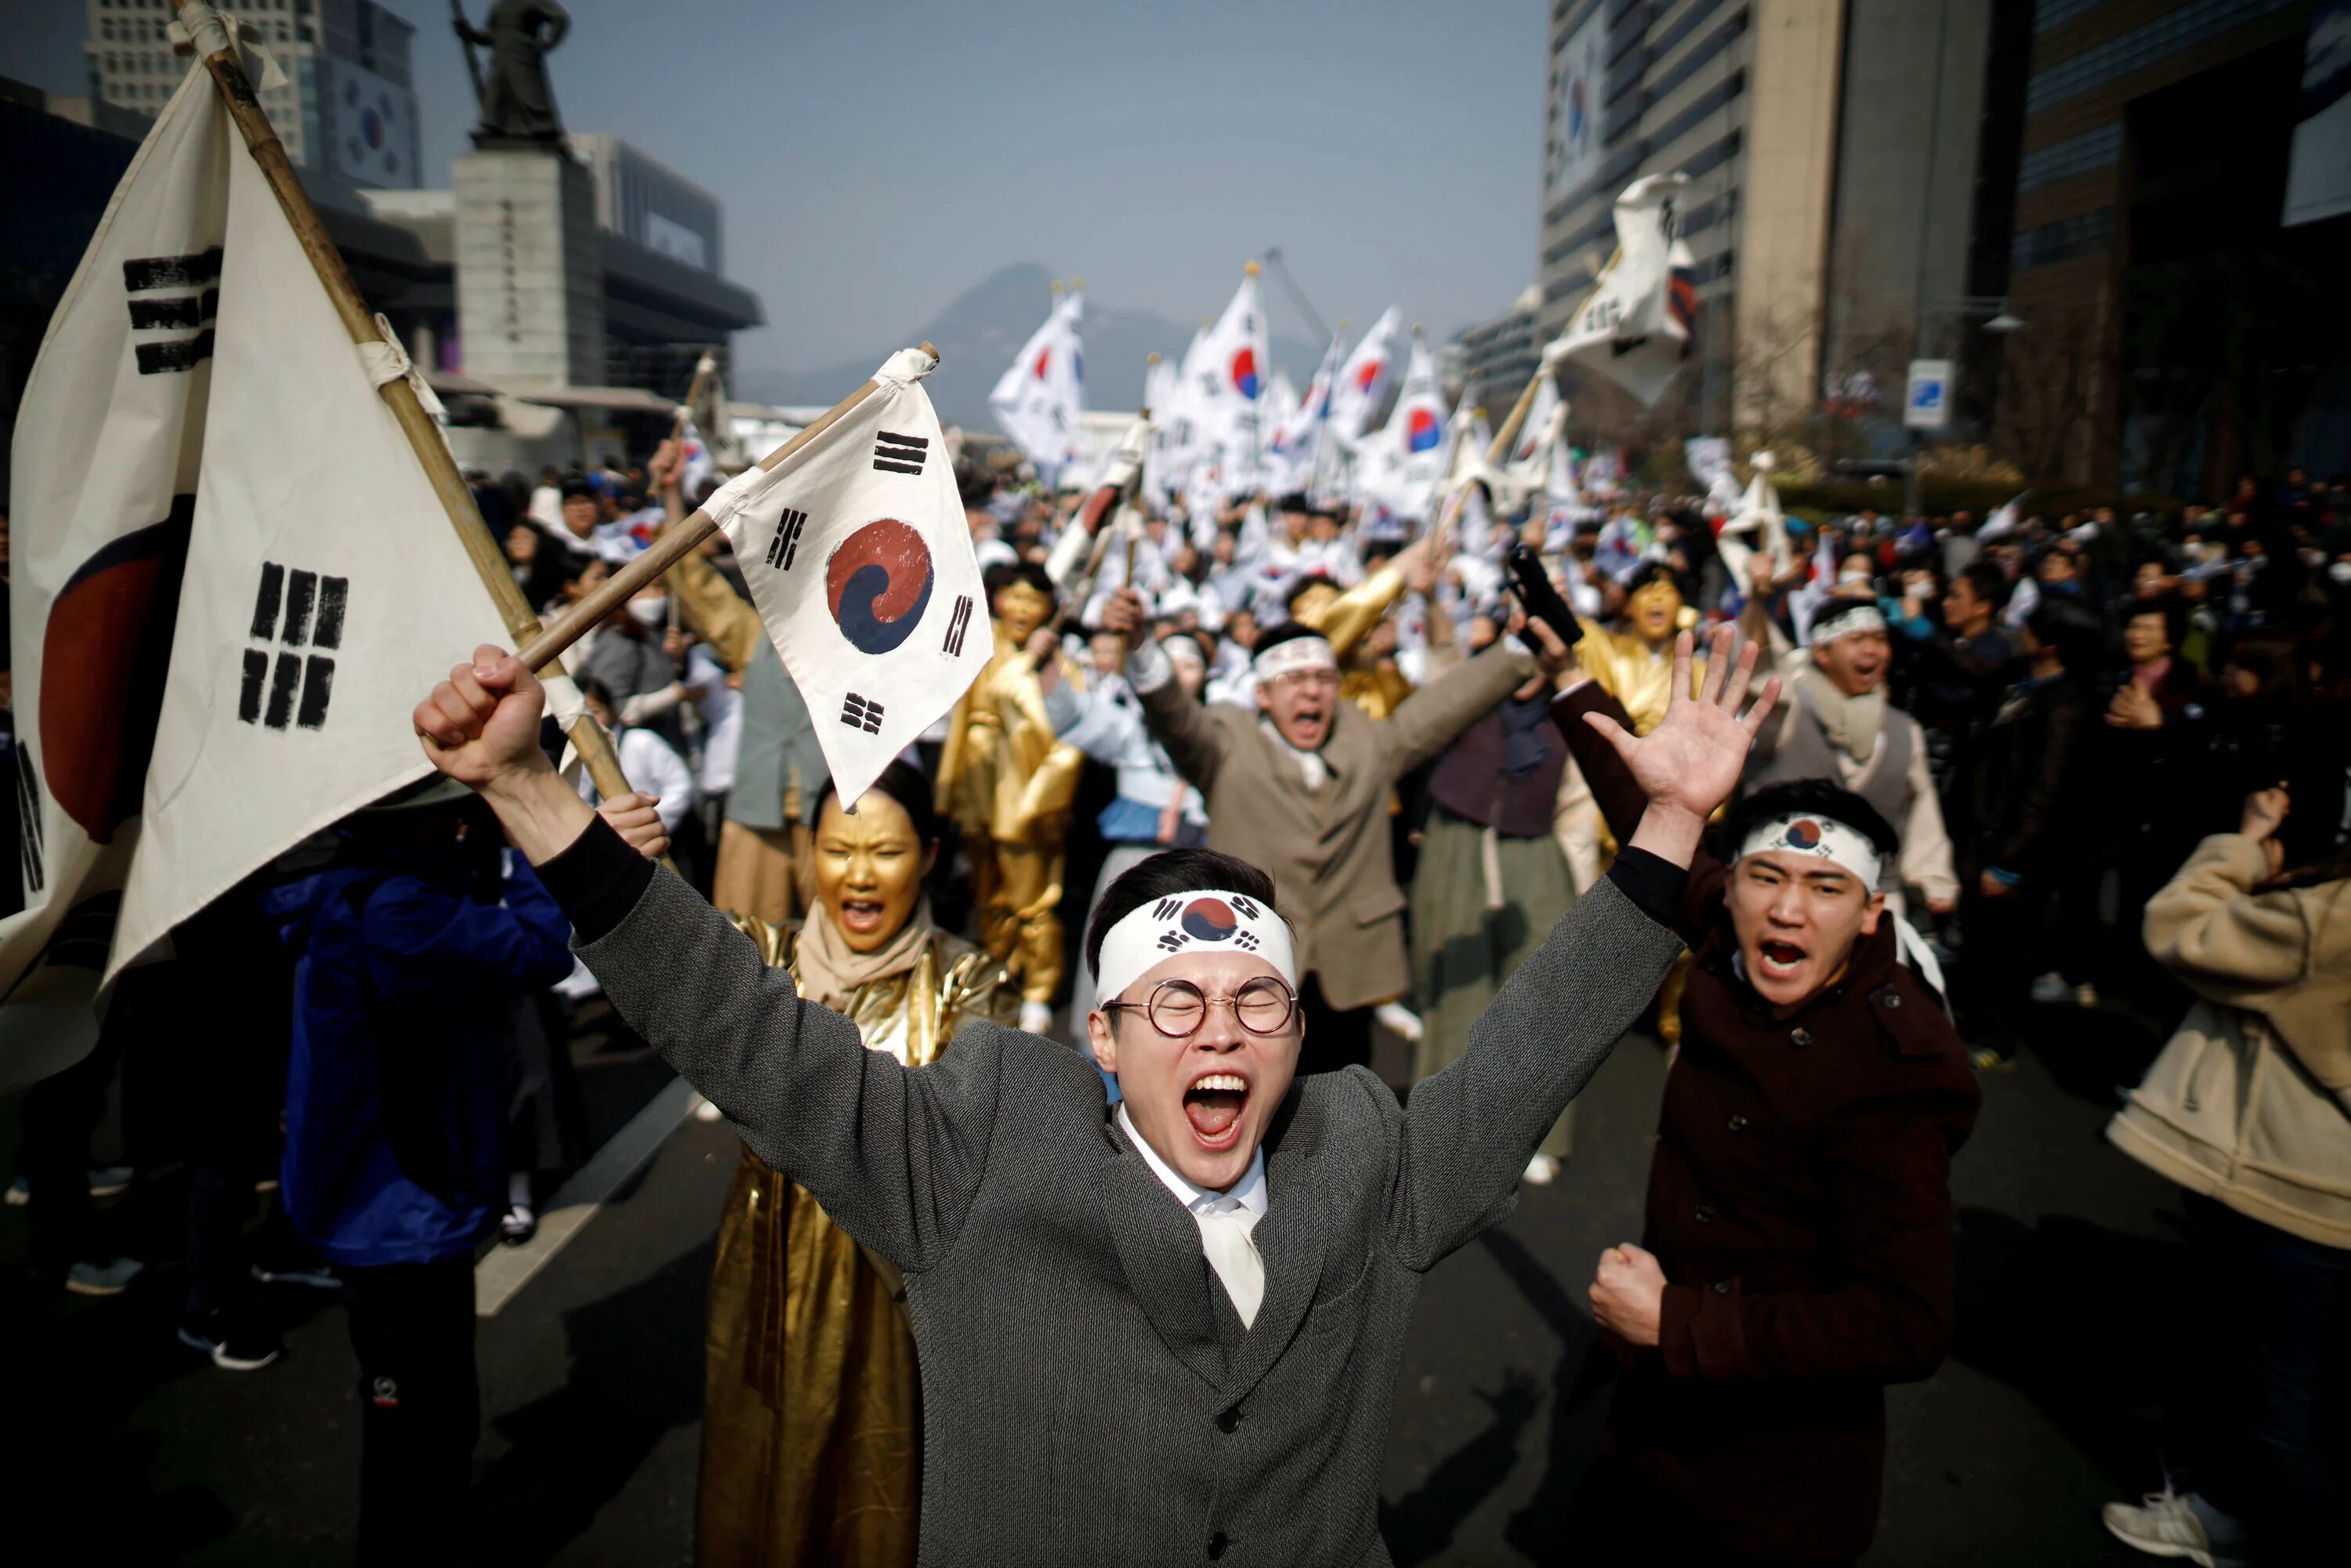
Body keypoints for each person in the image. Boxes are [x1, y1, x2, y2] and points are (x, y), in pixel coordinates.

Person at [406, 622, 1773, 1565]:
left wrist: (1670, 827)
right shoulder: (972, 1147)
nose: (1218, 1034)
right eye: (1173, 1005)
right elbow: (742, 1030)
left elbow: (1531, 1051)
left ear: (1300, 1032)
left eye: (1255, 1003)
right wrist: (529, 789)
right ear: (1104, 1039)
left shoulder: (1367, 1153)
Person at [1556, 670, 1980, 1565]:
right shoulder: (1727, 932)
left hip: (1778, 1468)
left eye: (1827, 889)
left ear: (1873, 917)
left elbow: (1907, 1323)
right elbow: (1662, 830)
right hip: (1655, 1423)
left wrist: (1679, 1322)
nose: (1787, 908)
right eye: (1768, 877)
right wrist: (1566, 676)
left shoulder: (1898, 1070)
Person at [258, 776, 617, 1560]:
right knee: (413, 1422)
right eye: (452, 811)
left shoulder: (362, 880)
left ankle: (438, 1524)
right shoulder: (394, 912)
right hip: (400, 1213)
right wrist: (542, 842)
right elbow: (539, 945)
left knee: (430, 1407)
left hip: (384, 1198)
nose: (465, 825)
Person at [698, 762, 1018, 1568]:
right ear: (809, 856)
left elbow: (964, 1149)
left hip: (900, 1305)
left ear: (931, 854)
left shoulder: (969, 984)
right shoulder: (762, 959)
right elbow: (666, 967)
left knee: (883, 1505)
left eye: (886, 850)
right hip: (766, 1281)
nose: (860, 875)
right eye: (838, 850)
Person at [1101, 584, 1554, 1077]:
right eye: (1293, 678)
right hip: (1253, 962)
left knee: (1342, 1103)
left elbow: (1440, 710)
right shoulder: (1228, 743)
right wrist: (1142, 646)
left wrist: (1518, 648)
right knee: (1253, 1098)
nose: (1311, 691)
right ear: (1263, 694)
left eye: (1323, 678)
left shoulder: (1364, 742)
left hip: (1347, 968)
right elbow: (1175, 716)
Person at [2100, 788, 2351, 1568]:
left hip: (2302, 1191)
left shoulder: (2332, 915)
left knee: (2278, 1405)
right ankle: (2228, 1512)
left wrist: (2245, 844)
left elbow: (2182, 929)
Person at [1408, 627, 1582, 1184]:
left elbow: (1580, 805)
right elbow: (1438, 680)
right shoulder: (1474, 695)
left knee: (1540, 997)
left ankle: (1536, 1133)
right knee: (1457, 991)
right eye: (1524, 652)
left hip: (1534, 850)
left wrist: (1582, 891)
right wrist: (1437, 605)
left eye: (1545, 654)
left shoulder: (1569, 715)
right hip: (1458, 843)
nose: (1531, 666)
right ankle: (1442, 1128)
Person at [933, 563, 1087, 1034]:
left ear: (1049, 608)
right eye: (1014, 598)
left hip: (1027, 791)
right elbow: (960, 724)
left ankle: (1040, 986)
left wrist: (1043, 799)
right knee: (988, 891)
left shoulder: (1062, 667)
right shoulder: (978, 647)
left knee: (1034, 897)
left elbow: (1073, 739)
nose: (1022, 609)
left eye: (1033, 600)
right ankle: (997, 970)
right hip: (979, 784)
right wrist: (949, 790)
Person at [1741, 596, 1959, 918]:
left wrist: (1933, 879)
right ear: (1822, 653)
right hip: (1780, 904)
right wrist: (1759, 596)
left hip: (1871, 906)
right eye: (1857, 640)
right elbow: (1758, 670)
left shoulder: (1904, 729)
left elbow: (1920, 809)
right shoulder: (1787, 711)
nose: (1872, 651)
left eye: (1880, 639)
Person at [1953, 599, 2101, 1069]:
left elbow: (2045, 792)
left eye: (2031, 627)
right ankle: (1974, 1024)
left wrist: (2009, 861)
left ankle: (2000, 1039)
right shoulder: (2017, 681)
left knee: (2008, 949)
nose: (2020, 632)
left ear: (2051, 641)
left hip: (2015, 850)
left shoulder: (2065, 706)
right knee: (1980, 939)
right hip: (1983, 832)